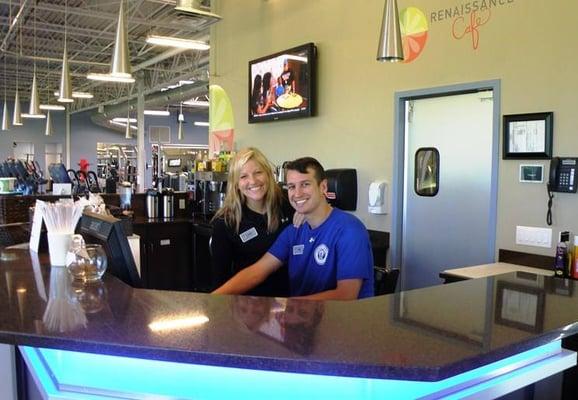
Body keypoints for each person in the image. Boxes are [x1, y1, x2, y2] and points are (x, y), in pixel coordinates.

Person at [213, 157, 374, 300]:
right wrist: (212, 300)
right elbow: (258, 271)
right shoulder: (294, 231)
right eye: (291, 187)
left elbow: (346, 295)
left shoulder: (350, 231)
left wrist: (289, 307)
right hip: (301, 323)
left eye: (305, 184)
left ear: (323, 187)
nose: (297, 194)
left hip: (341, 326)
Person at [210, 147, 295, 297]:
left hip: (292, 301)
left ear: (268, 174)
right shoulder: (225, 222)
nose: (253, 181)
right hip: (248, 307)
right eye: (243, 176)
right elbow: (220, 279)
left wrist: (304, 212)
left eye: (258, 172)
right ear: (235, 183)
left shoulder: (288, 203)